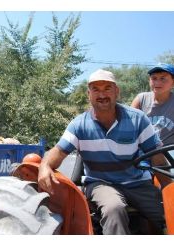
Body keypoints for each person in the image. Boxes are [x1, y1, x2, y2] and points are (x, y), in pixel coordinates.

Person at [38, 69, 165, 234]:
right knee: (114, 209)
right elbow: (58, 152)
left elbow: (157, 158)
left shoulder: (138, 119)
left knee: (167, 211)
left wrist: (169, 189)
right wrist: (44, 166)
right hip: (101, 183)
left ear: (116, 92)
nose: (102, 94)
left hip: (136, 182)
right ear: (89, 94)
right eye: (96, 89)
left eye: (107, 88)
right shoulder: (79, 125)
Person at [131, 63, 174, 145]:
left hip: (170, 152)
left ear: (173, 83)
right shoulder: (141, 99)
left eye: (163, 78)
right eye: (154, 78)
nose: (157, 82)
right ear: (149, 81)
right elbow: (129, 127)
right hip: (144, 151)